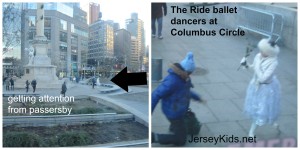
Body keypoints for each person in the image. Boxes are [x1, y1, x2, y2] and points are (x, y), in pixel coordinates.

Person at [151, 52, 206, 146]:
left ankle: (174, 128)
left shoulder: (184, 78)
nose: (190, 75)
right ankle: (154, 137)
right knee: (181, 140)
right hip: (173, 112)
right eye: (190, 73)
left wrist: (197, 97)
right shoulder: (172, 81)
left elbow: (186, 91)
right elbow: (156, 95)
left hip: (178, 110)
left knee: (179, 127)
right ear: (184, 71)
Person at [243, 38, 281, 137]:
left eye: (263, 50)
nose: (260, 52)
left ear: (269, 52)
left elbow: (263, 78)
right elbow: (253, 67)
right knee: (257, 109)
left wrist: (256, 67)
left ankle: (252, 132)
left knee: (261, 109)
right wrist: (246, 64)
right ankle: (273, 124)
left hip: (266, 89)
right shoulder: (258, 56)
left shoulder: (274, 62)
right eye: (260, 49)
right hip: (255, 87)